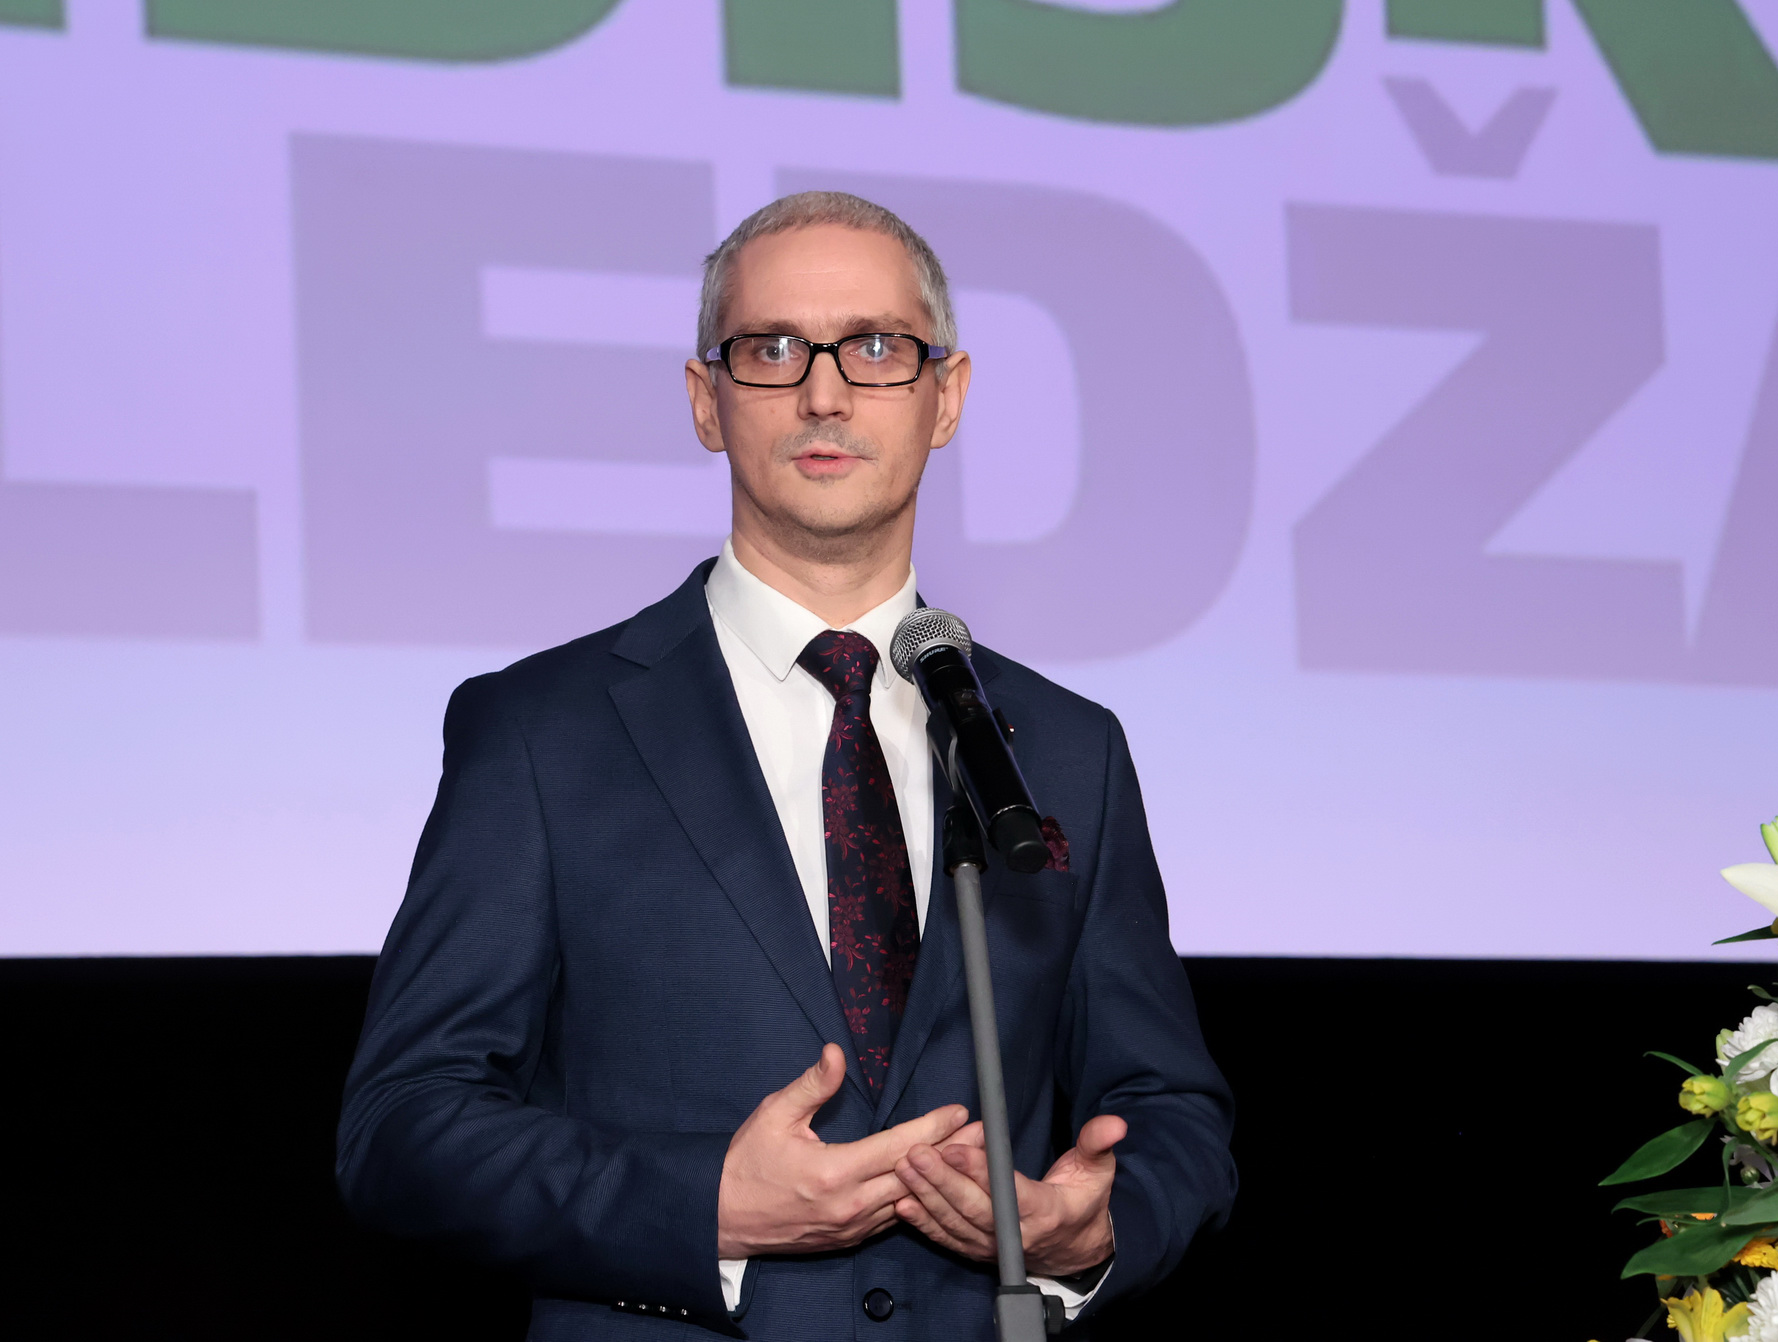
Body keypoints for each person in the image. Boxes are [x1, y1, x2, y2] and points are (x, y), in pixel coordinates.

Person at [337, 192, 1235, 1340]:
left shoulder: (1065, 748)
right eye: (770, 349)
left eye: (875, 348)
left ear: (946, 396)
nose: (824, 393)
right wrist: (702, 1204)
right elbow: (403, 1125)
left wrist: (1090, 1227)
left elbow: (1170, 1112)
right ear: (704, 400)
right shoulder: (539, 731)